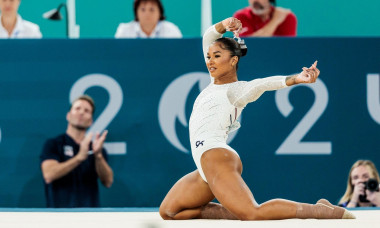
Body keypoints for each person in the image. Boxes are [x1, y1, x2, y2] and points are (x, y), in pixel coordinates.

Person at [159, 17, 355, 220]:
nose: (210, 61)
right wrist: (225, 25)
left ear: (233, 60)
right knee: (169, 212)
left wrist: (296, 79)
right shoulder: (213, 82)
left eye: (216, 56)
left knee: (253, 212)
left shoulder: (236, 90)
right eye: (208, 57)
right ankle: (233, 212)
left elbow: (263, 84)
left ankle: (319, 210)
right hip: (204, 163)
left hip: (216, 157)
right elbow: (209, 36)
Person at [40, 95, 113, 208]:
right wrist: (79, 158)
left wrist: (98, 156)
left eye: (87, 110)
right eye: (77, 108)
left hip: (90, 217)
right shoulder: (53, 144)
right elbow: (49, 174)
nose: (81, 113)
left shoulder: (96, 148)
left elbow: (108, 181)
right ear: (68, 115)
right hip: (59, 217)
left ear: (91, 121)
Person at [115, 0, 182, 38]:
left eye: (152, 9)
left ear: (160, 13)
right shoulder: (124, 31)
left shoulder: (171, 30)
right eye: (143, 9)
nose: (147, 13)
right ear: (136, 12)